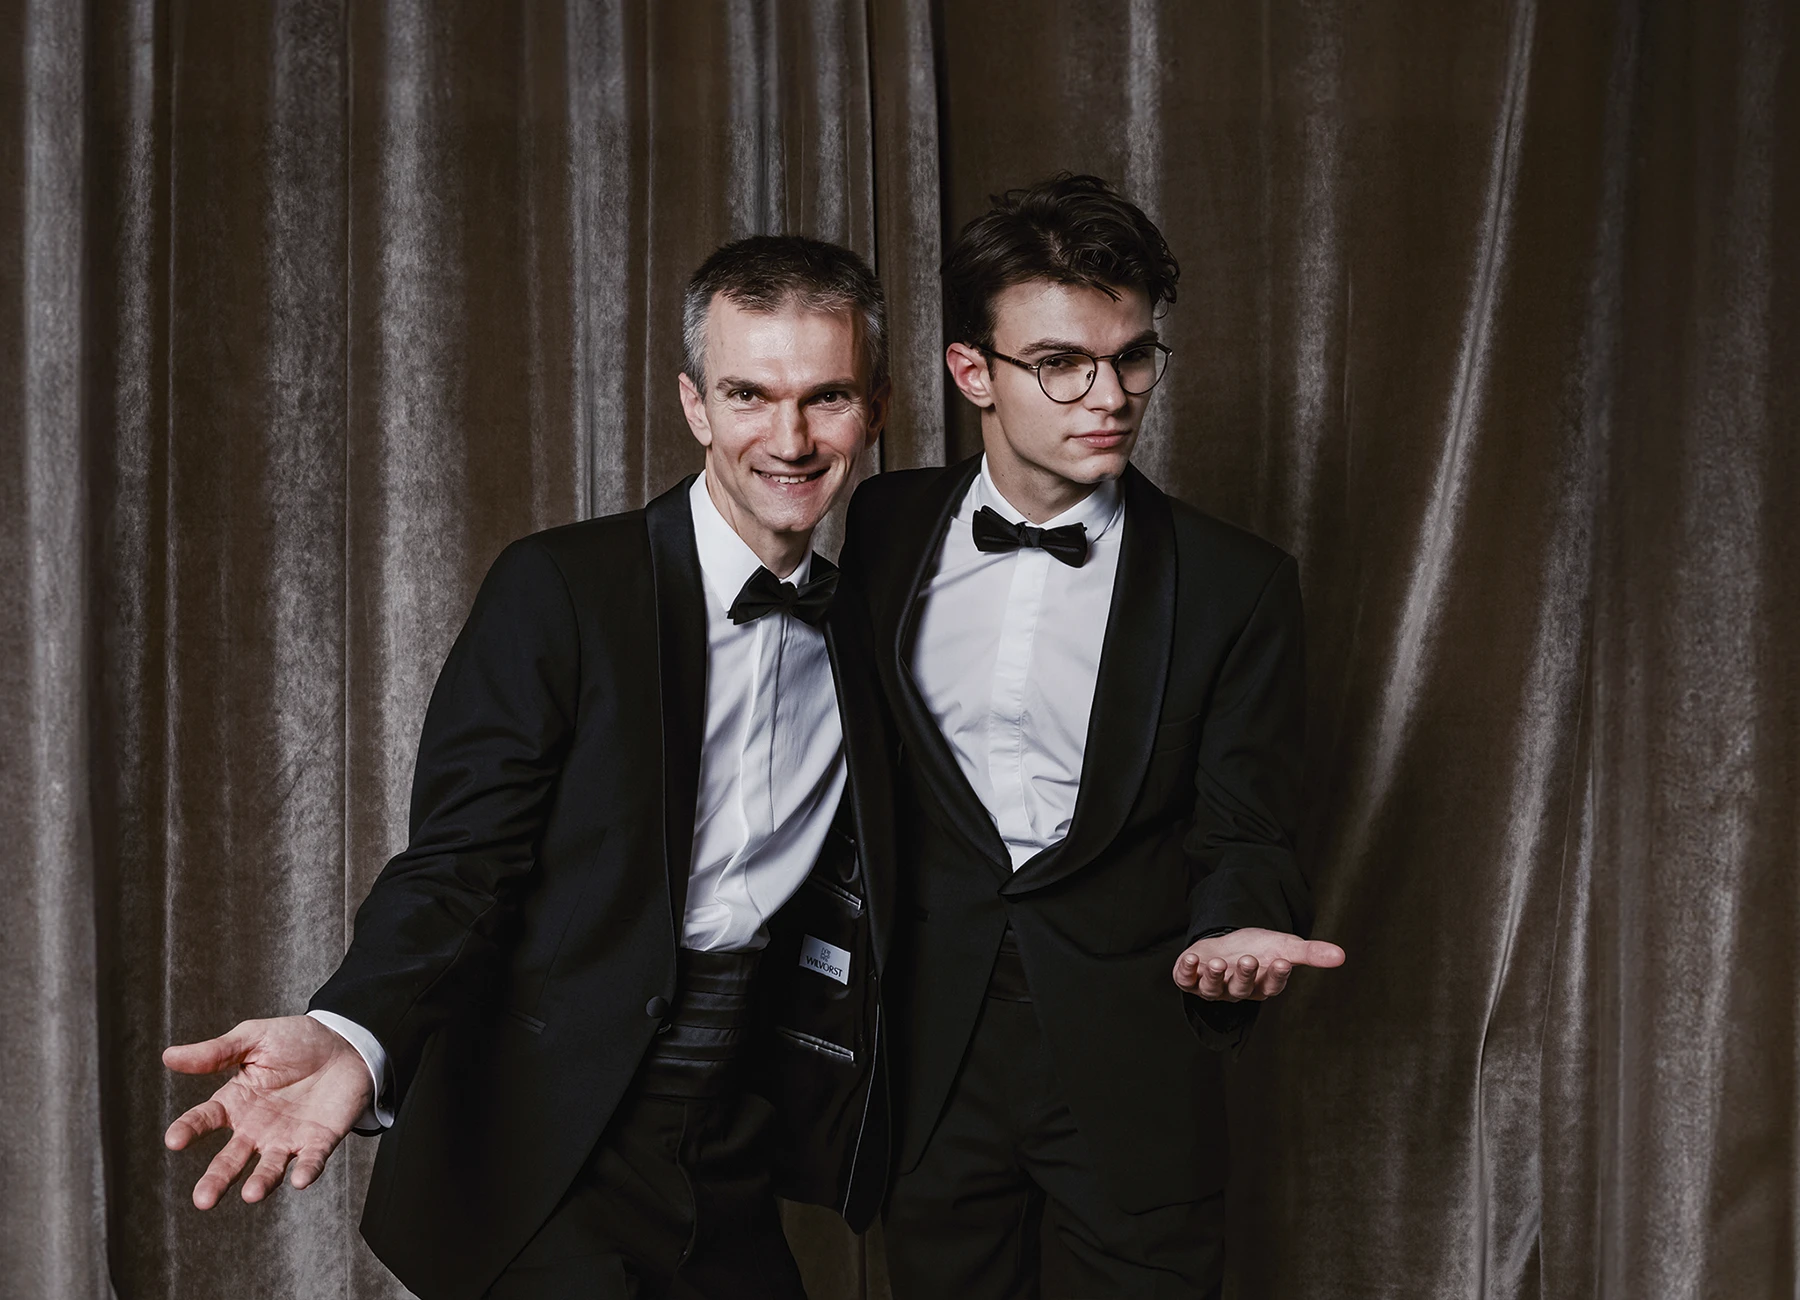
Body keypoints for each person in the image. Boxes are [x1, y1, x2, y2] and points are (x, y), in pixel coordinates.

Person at [162, 235, 896, 1300]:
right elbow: (461, 858)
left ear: (874, 408)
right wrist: (353, 1030)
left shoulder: (879, 628)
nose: (786, 436)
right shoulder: (563, 588)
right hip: (551, 1143)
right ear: (694, 405)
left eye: (825, 398)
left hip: (732, 1140)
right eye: (748, 393)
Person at [838, 174, 1346, 1299]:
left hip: (1130, 1056)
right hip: (928, 1054)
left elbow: (1248, 826)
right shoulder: (881, 528)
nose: (1108, 393)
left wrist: (1246, 927)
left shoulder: (1237, 585)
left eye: (1132, 356)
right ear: (974, 372)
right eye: (1062, 362)